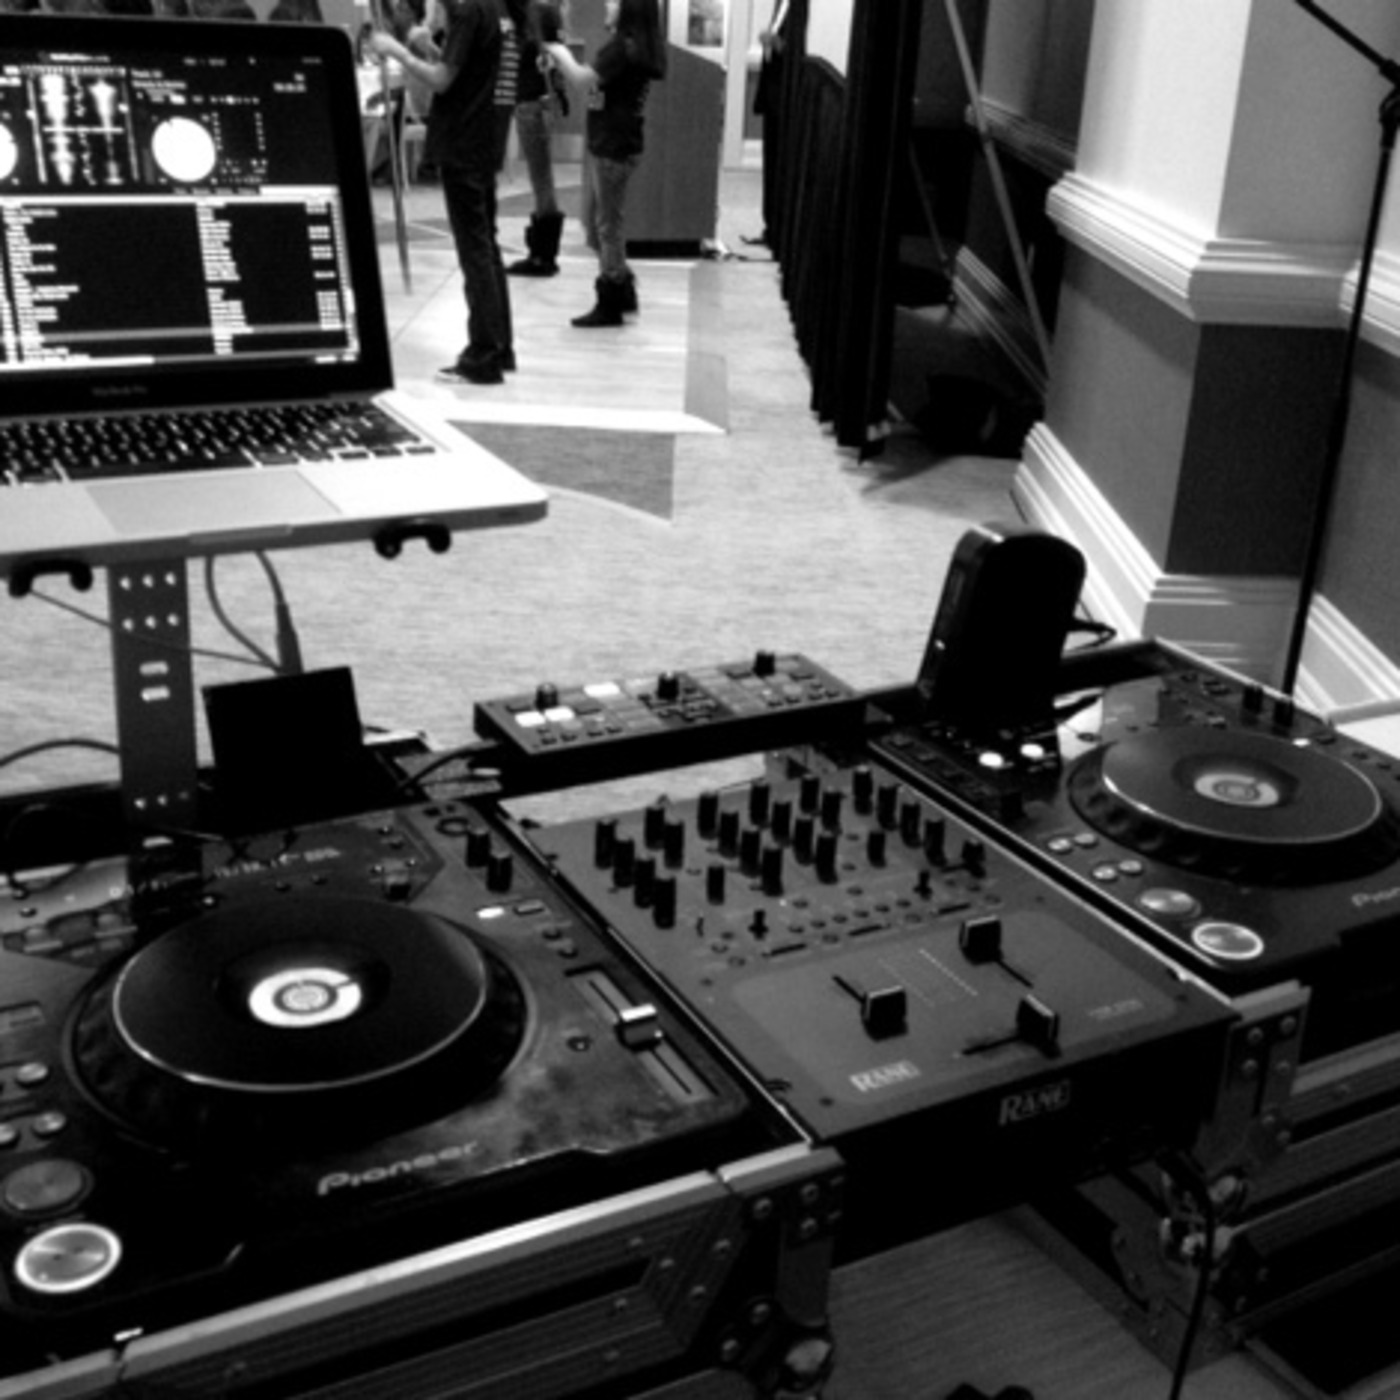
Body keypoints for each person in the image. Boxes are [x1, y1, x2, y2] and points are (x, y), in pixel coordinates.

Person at [372, 0, 514, 384]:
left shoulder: (469, 10)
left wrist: (398, 51)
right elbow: (467, 67)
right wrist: (429, 47)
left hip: (464, 138)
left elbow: (442, 80)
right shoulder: (498, 10)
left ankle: (483, 353)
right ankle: (500, 346)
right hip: (485, 136)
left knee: (475, 251)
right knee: (486, 245)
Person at [543, 0, 665, 328]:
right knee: (608, 223)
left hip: (611, 145)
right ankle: (622, 287)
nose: (608, 4)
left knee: (608, 227)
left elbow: (583, 80)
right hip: (624, 142)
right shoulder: (639, 46)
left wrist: (559, 52)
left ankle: (611, 297)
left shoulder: (620, 48)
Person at [506, 0, 567, 278]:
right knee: (544, 179)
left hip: (530, 103)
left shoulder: (533, 13)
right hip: (544, 102)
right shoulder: (552, 12)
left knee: (541, 181)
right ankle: (544, 252)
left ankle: (542, 255)